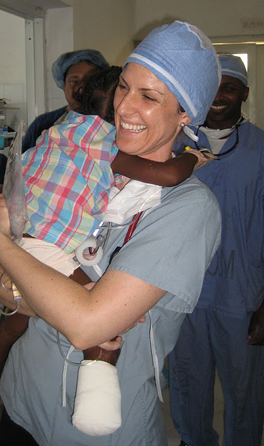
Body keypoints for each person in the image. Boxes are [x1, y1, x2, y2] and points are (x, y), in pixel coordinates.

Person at [0, 21, 222, 446]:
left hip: (96, 433)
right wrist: (67, 306)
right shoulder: (93, 168)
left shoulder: (187, 208)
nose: (125, 107)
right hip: (21, 404)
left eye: (149, 96)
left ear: (186, 113)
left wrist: (2, 247)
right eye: (124, 87)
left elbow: (85, 325)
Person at [169, 54, 264, 446]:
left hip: (241, 294)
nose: (219, 96)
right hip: (182, 290)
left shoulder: (260, 149)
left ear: (244, 92)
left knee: (245, 389)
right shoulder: (173, 145)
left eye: (229, 86)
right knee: (187, 382)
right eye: (212, 87)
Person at [21, 49, 109, 153]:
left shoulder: (110, 125)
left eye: (89, 80)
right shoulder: (41, 124)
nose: (81, 88)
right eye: (74, 81)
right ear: (63, 84)